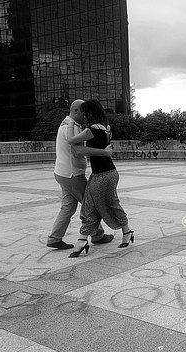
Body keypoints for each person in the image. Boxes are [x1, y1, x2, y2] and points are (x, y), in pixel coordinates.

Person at [67, 100, 134, 258]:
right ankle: (84, 239)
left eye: (84, 112)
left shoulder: (92, 129)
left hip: (103, 174)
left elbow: (70, 140)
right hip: (105, 173)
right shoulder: (106, 127)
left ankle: (125, 232)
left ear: (89, 112)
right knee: (94, 205)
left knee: (105, 204)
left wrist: (70, 122)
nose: (82, 115)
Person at [47, 99, 114, 250]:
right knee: (91, 204)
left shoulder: (69, 125)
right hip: (72, 175)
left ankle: (54, 238)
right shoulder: (69, 127)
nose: (86, 116)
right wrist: (104, 152)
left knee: (68, 207)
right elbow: (78, 151)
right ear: (76, 111)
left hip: (62, 173)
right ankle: (97, 235)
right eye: (83, 112)